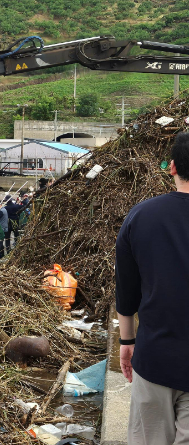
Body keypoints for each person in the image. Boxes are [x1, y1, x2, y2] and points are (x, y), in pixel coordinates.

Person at [116, 133, 189, 445]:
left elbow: (127, 291)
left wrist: (127, 341)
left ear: (171, 167)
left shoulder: (141, 216)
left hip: (155, 357)